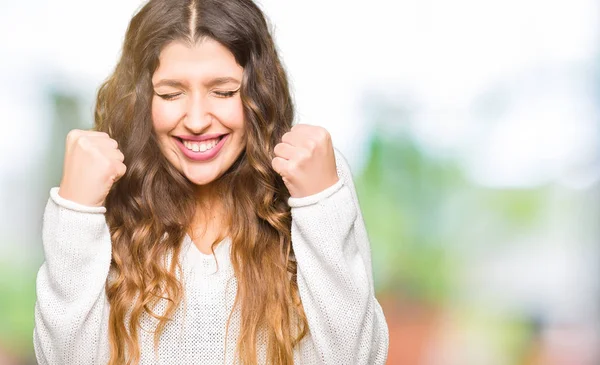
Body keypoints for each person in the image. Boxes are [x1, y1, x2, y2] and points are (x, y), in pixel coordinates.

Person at [33, 0, 389, 364]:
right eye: (171, 94)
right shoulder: (102, 194)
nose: (198, 120)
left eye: (224, 92)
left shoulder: (313, 182)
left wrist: (320, 203)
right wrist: (76, 211)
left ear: (258, 93)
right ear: (141, 99)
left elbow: (355, 357)